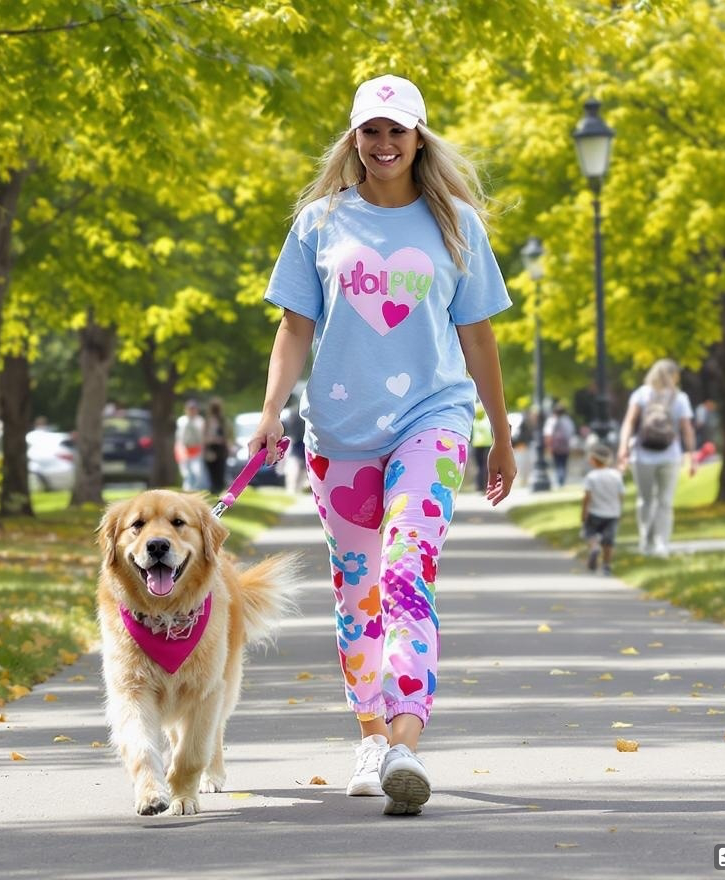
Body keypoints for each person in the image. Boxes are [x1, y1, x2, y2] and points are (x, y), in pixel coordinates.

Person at [247, 74, 515, 817]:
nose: (385, 144)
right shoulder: (319, 223)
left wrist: (499, 432)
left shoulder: (455, 222)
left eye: (398, 130)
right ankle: (370, 734)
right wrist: (271, 413)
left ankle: (405, 740)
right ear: (354, 138)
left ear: (419, 137)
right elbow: (294, 326)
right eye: (372, 131)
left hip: (433, 416)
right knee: (356, 591)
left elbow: (478, 334)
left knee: (405, 570)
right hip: (338, 433)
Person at [616, 358, 696, 558]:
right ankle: (662, 544)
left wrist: (623, 448)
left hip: (642, 456)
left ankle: (646, 542)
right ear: (673, 376)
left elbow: (629, 422)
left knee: (645, 500)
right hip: (671, 455)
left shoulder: (641, 394)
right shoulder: (680, 397)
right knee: (665, 501)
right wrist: (692, 455)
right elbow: (687, 429)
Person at [580, 444, 625, 576]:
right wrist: (619, 509)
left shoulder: (591, 477)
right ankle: (606, 565)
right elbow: (621, 495)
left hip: (594, 512)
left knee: (590, 534)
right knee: (608, 541)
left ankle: (594, 548)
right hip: (612, 513)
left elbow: (587, 497)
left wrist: (584, 513)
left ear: (593, 460)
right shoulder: (616, 475)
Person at [174, 399, 206, 491]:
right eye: (190, 409)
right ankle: (187, 490)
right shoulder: (181, 420)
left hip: (196, 450)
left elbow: (201, 437)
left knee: (197, 473)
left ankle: (194, 490)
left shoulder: (200, 421)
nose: (191, 411)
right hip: (184, 449)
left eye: (193, 409)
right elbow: (180, 437)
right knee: (186, 473)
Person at [202, 398, 231, 492]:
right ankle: (217, 488)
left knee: (215, 471)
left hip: (216, 448)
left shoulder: (212, 421)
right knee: (218, 471)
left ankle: (216, 488)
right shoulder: (221, 421)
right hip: (216, 448)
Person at [543, 403, 575, 487]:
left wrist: (548, 446)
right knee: (563, 463)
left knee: (557, 463)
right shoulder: (567, 420)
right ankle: (562, 479)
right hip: (565, 446)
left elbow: (548, 434)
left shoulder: (552, 420)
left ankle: (560, 479)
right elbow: (571, 433)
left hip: (555, 446)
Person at [470, 403, 493, 492]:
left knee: (479, 467)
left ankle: (479, 486)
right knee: (485, 467)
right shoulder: (487, 420)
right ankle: (485, 486)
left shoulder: (474, 421)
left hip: (476, 445)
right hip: (487, 444)